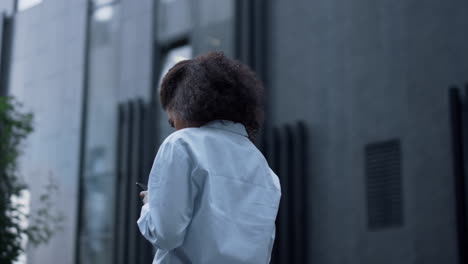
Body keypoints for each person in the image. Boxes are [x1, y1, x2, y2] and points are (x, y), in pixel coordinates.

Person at [137, 52, 281, 264]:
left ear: (183, 106)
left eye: (171, 120)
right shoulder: (264, 170)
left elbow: (165, 234)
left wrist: (150, 205)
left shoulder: (181, 144)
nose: (174, 125)